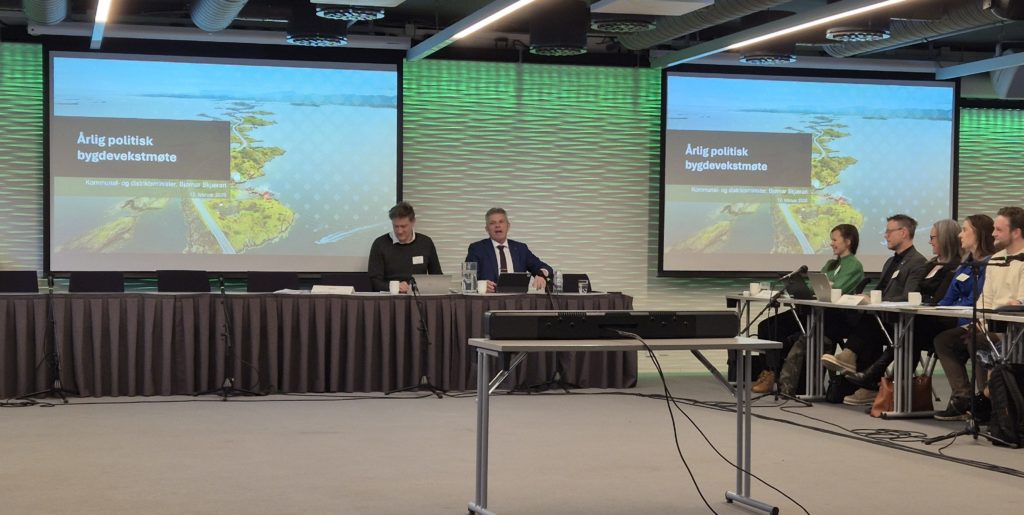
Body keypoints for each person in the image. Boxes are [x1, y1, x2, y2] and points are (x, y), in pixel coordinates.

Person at [843, 218, 979, 390]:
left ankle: (879, 379)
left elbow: (939, 299)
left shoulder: (955, 267)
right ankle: (883, 384)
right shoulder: (930, 264)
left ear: (944, 239)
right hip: (920, 318)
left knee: (908, 331)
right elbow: (916, 292)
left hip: (939, 321)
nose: (930, 242)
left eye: (933, 238)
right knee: (887, 325)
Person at [820, 214, 929, 405]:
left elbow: (909, 295)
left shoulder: (917, 261)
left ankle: (858, 371)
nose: (885, 236)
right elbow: (880, 290)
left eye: (889, 231)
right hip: (882, 318)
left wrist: (877, 300)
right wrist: (865, 298)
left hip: (902, 323)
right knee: (865, 321)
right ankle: (864, 382)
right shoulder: (890, 262)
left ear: (903, 233)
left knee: (868, 324)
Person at [933, 207, 1024, 421]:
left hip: (1014, 330)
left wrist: (1002, 310)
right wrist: (980, 322)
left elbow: (1019, 302)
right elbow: (985, 300)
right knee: (945, 339)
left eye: (999, 230)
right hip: (992, 325)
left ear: (1016, 232)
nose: (993, 234)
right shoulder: (996, 259)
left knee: (978, 340)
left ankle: (988, 400)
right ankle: (964, 397)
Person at [752, 224, 864, 394]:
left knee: (791, 334)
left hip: (832, 317)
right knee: (767, 326)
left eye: (835, 240)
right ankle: (770, 373)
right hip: (812, 311)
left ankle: (784, 378)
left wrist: (824, 287)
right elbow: (815, 286)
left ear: (848, 241)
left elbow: (837, 289)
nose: (831, 243)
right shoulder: (830, 264)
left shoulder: (854, 265)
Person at [465, 207, 552, 293]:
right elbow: (467, 281)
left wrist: (541, 275)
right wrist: (481, 286)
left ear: (508, 226)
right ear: (487, 229)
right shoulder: (477, 249)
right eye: (492, 223)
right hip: (489, 300)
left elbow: (545, 268)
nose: (497, 225)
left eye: (501, 222)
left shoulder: (521, 249)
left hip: (518, 300)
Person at [367, 201, 442, 293]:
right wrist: (395, 286)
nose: (399, 231)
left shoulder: (426, 243)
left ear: (413, 222)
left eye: (403, 226)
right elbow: (374, 282)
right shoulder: (379, 244)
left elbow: (437, 277)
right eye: (396, 226)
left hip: (418, 298)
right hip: (390, 298)